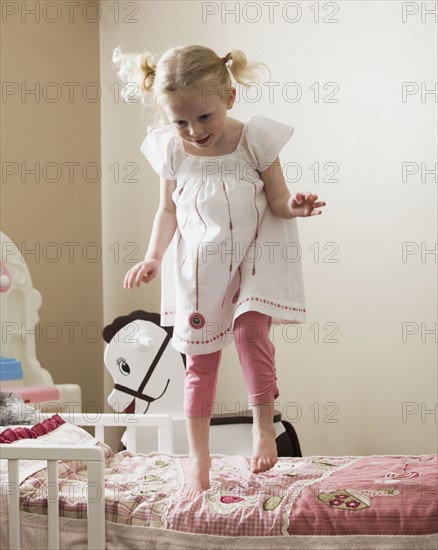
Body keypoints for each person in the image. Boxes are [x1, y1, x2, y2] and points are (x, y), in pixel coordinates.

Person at [114, 45, 326, 498]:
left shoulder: (255, 141)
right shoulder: (173, 151)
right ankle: (199, 457)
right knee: (199, 364)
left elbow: (276, 200)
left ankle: (264, 428)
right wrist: (153, 256)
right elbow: (166, 211)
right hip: (199, 269)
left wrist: (296, 207)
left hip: (252, 263)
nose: (194, 131)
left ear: (229, 98)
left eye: (204, 118)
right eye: (181, 121)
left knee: (251, 335)